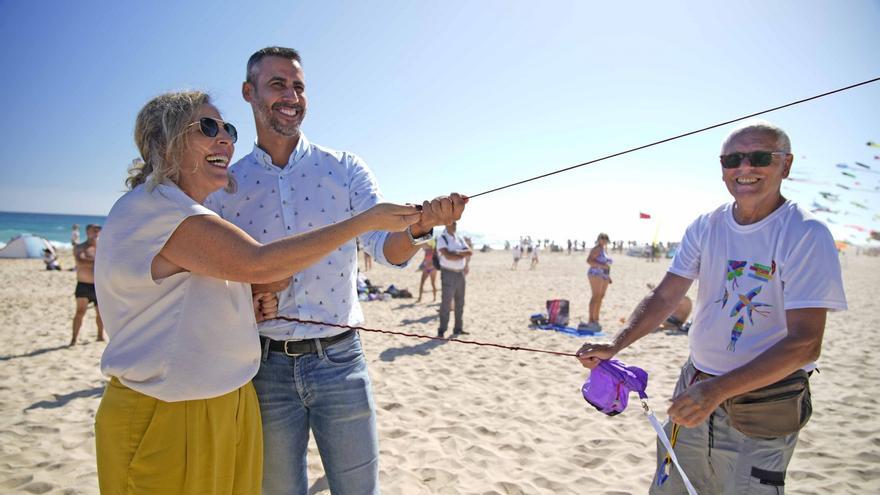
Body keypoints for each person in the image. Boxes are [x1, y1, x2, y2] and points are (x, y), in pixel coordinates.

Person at [94, 91, 423, 494]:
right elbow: (259, 262)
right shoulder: (155, 208)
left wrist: (244, 306)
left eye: (228, 130)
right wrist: (361, 222)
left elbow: (185, 300)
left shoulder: (184, 210)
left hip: (219, 405)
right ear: (165, 142)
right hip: (166, 411)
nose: (226, 140)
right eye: (208, 127)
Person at [205, 47, 467, 494]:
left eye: (299, 86)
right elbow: (213, 274)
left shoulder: (346, 169)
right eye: (277, 85)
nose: (291, 96)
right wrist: (248, 295)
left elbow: (386, 250)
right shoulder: (226, 183)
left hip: (341, 361)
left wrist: (423, 226)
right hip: (262, 368)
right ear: (248, 93)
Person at [577, 121, 847, 494]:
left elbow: (805, 343)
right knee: (677, 485)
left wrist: (719, 391)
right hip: (696, 384)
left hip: (765, 400)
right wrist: (616, 344)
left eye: (760, 157)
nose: (745, 168)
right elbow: (665, 295)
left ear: (786, 165)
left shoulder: (805, 233)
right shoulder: (706, 226)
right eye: (732, 159)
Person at [436, 221, 472, 338]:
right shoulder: (442, 238)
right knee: (446, 303)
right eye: (453, 223)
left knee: (460, 302)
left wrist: (456, 252)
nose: (455, 225)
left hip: (460, 273)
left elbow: (469, 252)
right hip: (448, 273)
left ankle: (458, 328)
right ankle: (442, 330)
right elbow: (447, 256)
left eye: (456, 223)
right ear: (446, 225)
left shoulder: (459, 238)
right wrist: (461, 254)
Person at [70, 224, 103, 345]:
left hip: (98, 286)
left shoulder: (103, 247)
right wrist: (97, 260)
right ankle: (74, 339)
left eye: (98, 230)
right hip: (83, 284)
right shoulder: (79, 247)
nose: (96, 232)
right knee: (80, 312)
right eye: (93, 230)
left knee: (101, 314)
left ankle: (100, 336)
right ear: (87, 231)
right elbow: (81, 261)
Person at [585, 233, 612, 332]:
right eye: (602, 238)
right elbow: (589, 261)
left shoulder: (603, 249)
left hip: (603, 275)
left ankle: (596, 318)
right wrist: (602, 265)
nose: (604, 240)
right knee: (595, 296)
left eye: (606, 238)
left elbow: (606, 264)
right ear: (598, 239)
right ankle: (591, 319)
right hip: (596, 273)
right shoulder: (596, 249)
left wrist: (608, 276)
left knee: (600, 296)